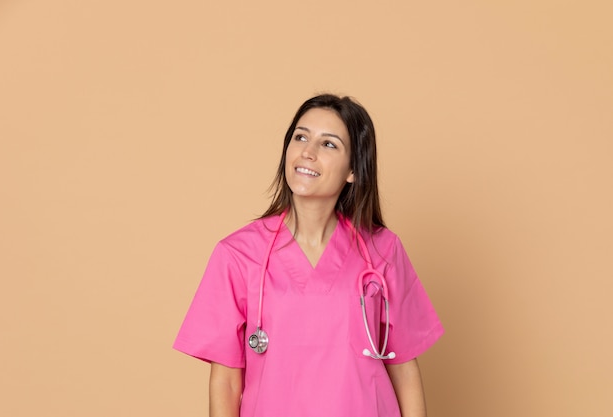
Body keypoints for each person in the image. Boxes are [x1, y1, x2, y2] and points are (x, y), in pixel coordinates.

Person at [174, 94, 444, 417]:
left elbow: (404, 369)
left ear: (353, 171)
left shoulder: (382, 251)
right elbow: (226, 382)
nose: (308, 152)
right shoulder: (238, 254)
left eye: (328, 144)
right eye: (300, 137)